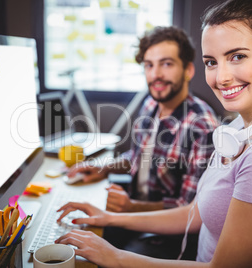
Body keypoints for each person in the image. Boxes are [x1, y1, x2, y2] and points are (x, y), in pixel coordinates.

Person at [55, 0, 252, 267]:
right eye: (212, 62)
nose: (222, 77)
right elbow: (195, 211)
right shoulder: (238, 129)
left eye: (237, 56)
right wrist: (108, 216)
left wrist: (116, 257)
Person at [67, 26, 218, 213]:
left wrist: (131, 207)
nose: (156, 74)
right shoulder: (150, 104)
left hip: (164, 236)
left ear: (188, 70)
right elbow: (139, 157)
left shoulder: (203, 126)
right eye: (149, 65)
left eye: (167, 64)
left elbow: (190, 209)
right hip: (134, 212)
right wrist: (104, 168)